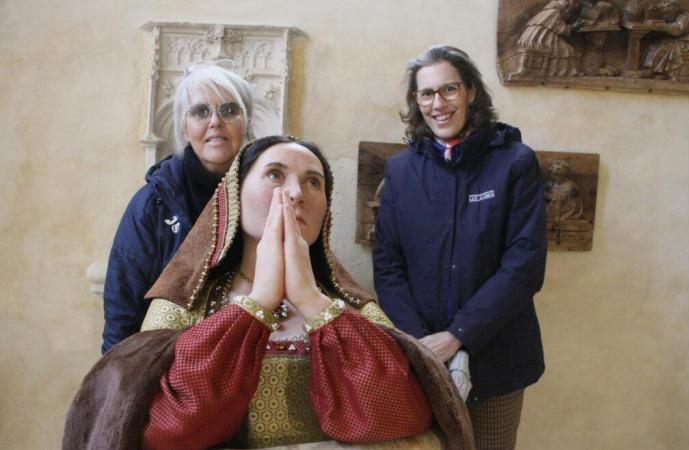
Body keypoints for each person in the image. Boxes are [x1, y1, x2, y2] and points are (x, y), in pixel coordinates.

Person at [65, 136, 475, 450]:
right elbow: (164, 428)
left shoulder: (351, 306)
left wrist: (312, 300)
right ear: (234, 197)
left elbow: (399, 413)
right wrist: (258, 303)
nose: (295, 193)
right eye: (276, 175)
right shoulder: (184, 301)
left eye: (313, 182)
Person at [373, 46, 547, 450]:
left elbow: (524, 265)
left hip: (498, 359)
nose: (439, 104)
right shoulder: (400, 170)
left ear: (470, 91)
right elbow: (387, 265)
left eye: (449, 89)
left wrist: (458, 335)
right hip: (419, 358)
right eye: (427, 93)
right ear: (416, 102)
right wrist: (422, 344)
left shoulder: (515, 162)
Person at [102, 60, 264, 353]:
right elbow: (123, 313)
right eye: (200, 111)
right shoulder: (152, 204)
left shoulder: (270, 194)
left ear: (247, 121)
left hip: (253, 360)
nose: (215, 121)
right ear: (185, 127)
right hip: (169, 361)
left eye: (229, 110)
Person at [516, 0, 585, 77]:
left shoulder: (547, 11)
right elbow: (561, 29)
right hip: (541, 39)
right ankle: (559, 73)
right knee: (567, 51)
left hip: (537, 36)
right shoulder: (554, 12)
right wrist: (574, 27)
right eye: (573, 4)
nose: (573, 7)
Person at [641, 0, 689, 80]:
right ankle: (650, 68)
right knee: (655, 45)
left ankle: (660, 71)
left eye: (668, 12)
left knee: (665, 47)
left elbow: (677, 31)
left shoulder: (685, 18)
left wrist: (663, 26)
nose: (666, 15)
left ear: (675, 9)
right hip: (681, 41)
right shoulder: (677, 17)